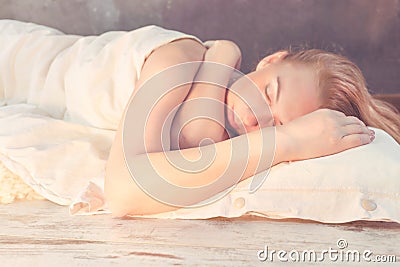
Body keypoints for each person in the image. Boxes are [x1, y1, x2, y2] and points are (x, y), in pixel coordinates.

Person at [104, 38, 400, 217]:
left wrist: (224, 54)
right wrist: (285, 140)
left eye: (275, 125)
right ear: (271, 60)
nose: (256, 117)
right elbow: (122, 193)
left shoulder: (212, 123)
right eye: (269, 93)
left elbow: (192, 140)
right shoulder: (178, 61)